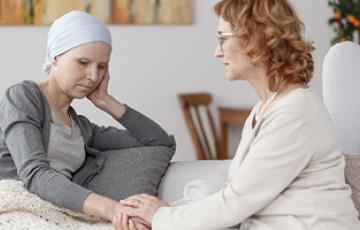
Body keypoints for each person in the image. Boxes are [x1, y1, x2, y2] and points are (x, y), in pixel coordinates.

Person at [116, 0, 360, 229]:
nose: (217, 52)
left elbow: (235, 203)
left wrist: (160, 216)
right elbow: (237, 193)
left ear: (255, 40)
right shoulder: (267, 107)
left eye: (222, 39)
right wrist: (168, 209)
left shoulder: (296, 112)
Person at [0, 11, 175, 230]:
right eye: (83, 62)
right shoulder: (23, 98)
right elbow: (35, 175)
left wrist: (106, 101)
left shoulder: (81, 128)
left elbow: (160, 142)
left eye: (101, 66)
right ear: (55, 56)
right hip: (15, 205)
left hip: (60, 211)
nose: (93, 76)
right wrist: (113, 209)